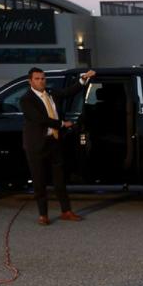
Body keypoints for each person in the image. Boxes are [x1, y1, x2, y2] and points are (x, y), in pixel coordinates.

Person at [19, 67, 96, 225]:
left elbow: (68, 92)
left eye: (43, 78)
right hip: (36, 145)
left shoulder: (51, 93)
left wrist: (83, 79)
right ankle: (43, 215)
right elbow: (40, 119)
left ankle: (66, 211)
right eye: (37, 79)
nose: (41, 81)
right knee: (39, 180)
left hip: (54, 142)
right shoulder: (26, 99)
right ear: (30, 81)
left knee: (60, 179)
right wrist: (62, 123)